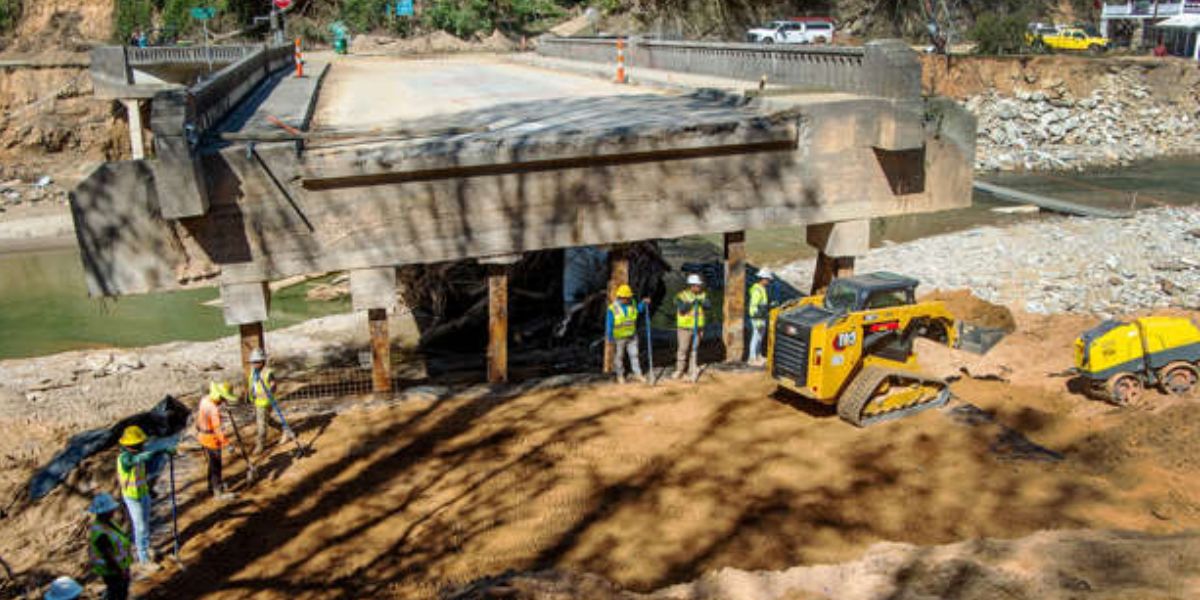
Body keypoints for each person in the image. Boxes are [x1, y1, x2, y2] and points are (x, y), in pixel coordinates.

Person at [116, 426, 173, 571]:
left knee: (146, 523)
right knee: (140, 526)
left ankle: (147, 548)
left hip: (143, 493)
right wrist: (160, 451)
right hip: (132, 497)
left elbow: (141, 471)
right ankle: (143, 559)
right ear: (131, 445)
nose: (143, 446)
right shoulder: (125, 458)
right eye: (140, 444)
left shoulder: (136, 455)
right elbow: (138, 459)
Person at [86, 493, 132, 600]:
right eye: (111, 509)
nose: (113, 511)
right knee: (118, 594)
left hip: (120, 567)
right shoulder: (101, 533)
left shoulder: (109, 523)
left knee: (119, 593)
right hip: (113, 572)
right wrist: (120, 571)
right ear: (104, 512)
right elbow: (108, 556)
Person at [197, 381, 238, 500]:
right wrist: (227, 444)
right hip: (212, 439)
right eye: (224, 398)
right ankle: (218, 492)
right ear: (219, 396)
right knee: (216, 466)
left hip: (202, 436)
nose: (224, 401)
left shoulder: (204, 400)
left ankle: (211, 486)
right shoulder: (214, 409)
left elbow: (202, 418)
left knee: (211, 464)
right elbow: (218, 430)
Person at [606, 284, 649, 384]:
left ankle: (637, 374)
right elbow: (609, 323)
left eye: (629, 297)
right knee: (619, 357)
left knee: (634, 355)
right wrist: (610, 336)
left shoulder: (632, 304)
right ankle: (620, 375)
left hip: (632, 336)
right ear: (621, 297)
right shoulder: (612, 309)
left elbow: (638, 310)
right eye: (627, 297)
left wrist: (643, 303)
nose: (629, 299)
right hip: (619, 337)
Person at [673, 274, 710, 380]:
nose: (699, 287)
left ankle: (692, 369)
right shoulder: (681, 295)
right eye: (697, 285)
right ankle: (679, 370)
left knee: (694, 349)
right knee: (683, 349)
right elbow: (682, 309)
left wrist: (702, 302)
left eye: (700, 285)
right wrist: (692, 303)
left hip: (698, 327)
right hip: (684, 328)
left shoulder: (703, 295)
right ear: (692, 286)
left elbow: (708, 306)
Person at [247, 348, 282, 455]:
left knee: (261, 425)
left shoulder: (267, 373)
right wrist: (249, 395)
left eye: (256, 362)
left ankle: (260, 445)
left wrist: (269, 391)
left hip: (265, 402)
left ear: (262, 361)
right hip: (257, 402)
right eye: (252, 362)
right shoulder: (254, 372)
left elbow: (273, 385)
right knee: (267, 420)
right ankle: (284, 429)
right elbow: (252, 385)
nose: (254, 364)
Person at [747, 269, 775, 365]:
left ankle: (758, 356)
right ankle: (752, 358)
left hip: (761, 316)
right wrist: (757, 319)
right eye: (767, 279)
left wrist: (769, 306)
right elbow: (754, 305)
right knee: (756, 337)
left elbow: (762, 304)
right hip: (757, 317)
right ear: (762, 279)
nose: (768, 281)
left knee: (760, 337)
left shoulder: (762, 289)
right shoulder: (757, 290)